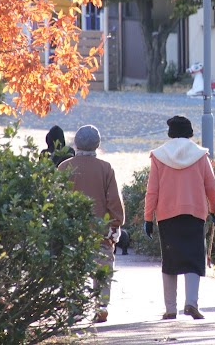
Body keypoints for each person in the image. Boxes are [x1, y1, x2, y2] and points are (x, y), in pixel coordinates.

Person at [144, 115, 215, 320]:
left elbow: (152, 191)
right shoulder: (200, 155)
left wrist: (148, 218)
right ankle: (191, 304)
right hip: (195, 213)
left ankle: (170, 309)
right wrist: (214, 209)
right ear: (190, 133)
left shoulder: (159, 156)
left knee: (170, 261)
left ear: (170, 133)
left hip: (167, 215)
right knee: (194, 259)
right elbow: (211, 187)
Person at [58, 125, 125, 324]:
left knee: (74, 268)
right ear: (97, 144)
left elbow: (56, 199)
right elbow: (113, 199)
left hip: (72, 229)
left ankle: (76, 308)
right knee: (103, 268)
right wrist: (116, 223)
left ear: (75, 143)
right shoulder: (105, 168)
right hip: (100, 230)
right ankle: (101, 305)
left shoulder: (64, 167)